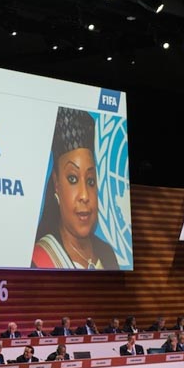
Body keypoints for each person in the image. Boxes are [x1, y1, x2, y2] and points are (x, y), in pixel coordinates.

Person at [31, 106, 120, 269]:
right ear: (56, 184)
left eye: (91, 181)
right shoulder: (39, 260)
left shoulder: (107, 254)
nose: (85, 195)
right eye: (72, 179)